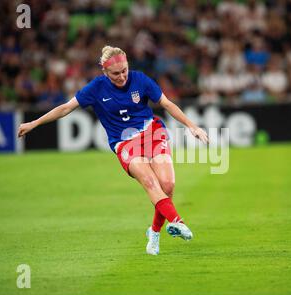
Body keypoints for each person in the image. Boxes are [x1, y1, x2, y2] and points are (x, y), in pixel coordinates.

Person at [17, 46, 209, 255]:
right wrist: (34, 123)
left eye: (124, 70)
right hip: (124, 143)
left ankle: (154, 232)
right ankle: (178, 222)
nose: (122, 76)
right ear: (105, 72)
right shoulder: (96, 88)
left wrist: (192, 126)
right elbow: (65, 108)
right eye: (116, 73)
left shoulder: (141, 80)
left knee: (168, 185)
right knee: (150, 182)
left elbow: (167, 104)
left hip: (152, 132)